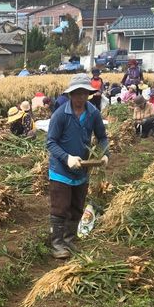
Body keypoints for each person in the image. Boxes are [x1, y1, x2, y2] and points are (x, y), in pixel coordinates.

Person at [46, 75, 109, 258]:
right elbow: (50, 142)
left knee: (76, 206)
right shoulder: (60, 115)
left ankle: (69, 240)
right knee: (60, 207)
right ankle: (57, 244)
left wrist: (104, 153)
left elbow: (102, 137)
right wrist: (66, 158)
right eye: (76, 93)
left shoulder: (93, 113)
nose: (80, 97)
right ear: (70, 94)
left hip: (82, 168)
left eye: (84, 93)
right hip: (61, 170)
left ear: (89, 94)